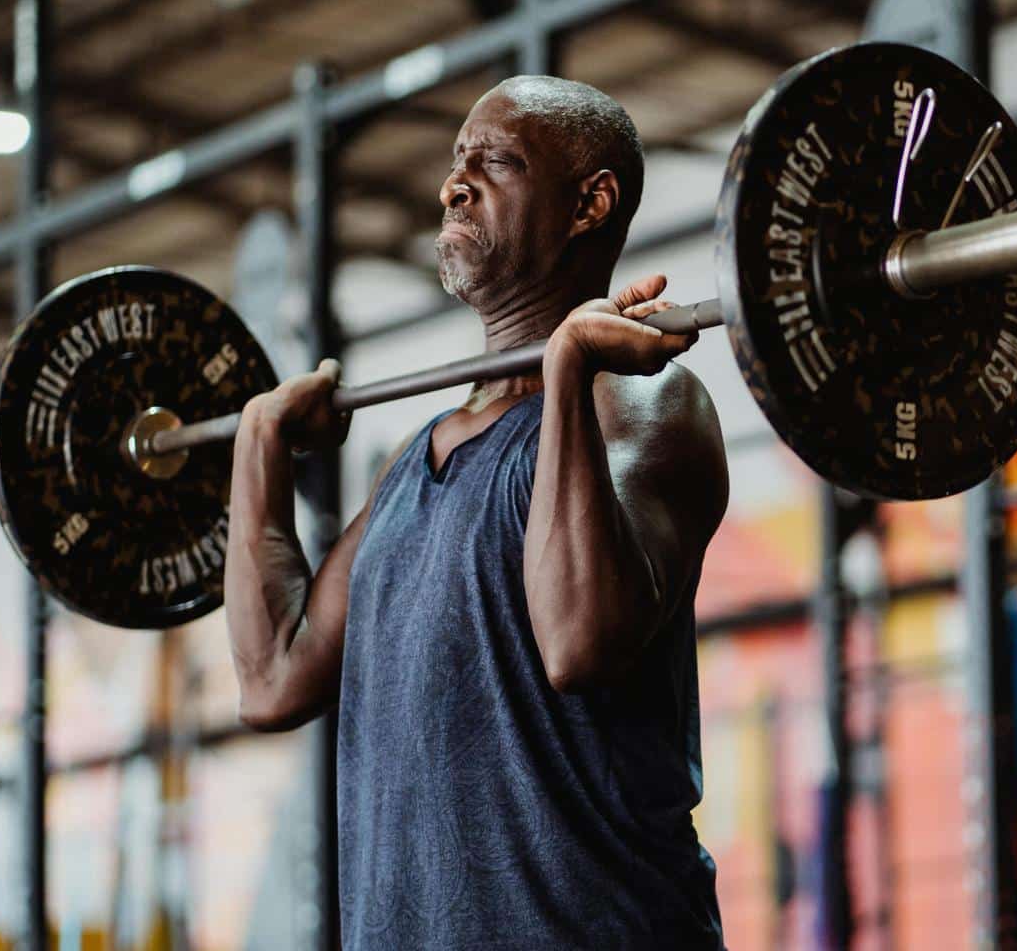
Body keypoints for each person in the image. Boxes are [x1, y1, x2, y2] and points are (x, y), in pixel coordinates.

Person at [224, 75, 728, 949]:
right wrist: (256, 447)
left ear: (590, 204)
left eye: (495, 162)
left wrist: (566, 368)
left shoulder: (649, 407)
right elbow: (272, 677)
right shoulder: (415, 463)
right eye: (457, 162)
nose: (454, 185)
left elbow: (579, 641)